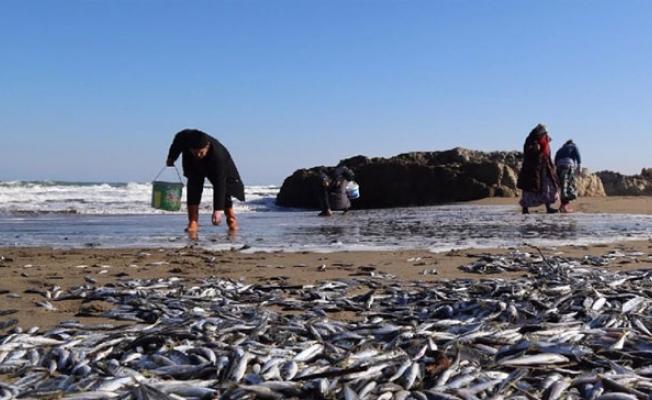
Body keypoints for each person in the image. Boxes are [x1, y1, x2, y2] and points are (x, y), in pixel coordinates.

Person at [166, 129, 245, 234]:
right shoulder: (184, 137)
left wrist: (217, 210)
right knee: (193, 187)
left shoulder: (218, 156)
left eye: (201, 152)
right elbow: (177, 143)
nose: (198, 155)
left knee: (227, 186)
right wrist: (172, 157)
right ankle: (193, 222)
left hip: (216, 164)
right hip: (192, 164)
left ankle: (231, 219)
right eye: (195, 152)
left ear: (207, 146)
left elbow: (219, 184)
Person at [516, 123, 560, 214]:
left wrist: (551, 165)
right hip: (532, 168)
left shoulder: (546, 140)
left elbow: (547, 154)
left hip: (545, 166)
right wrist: (533, 149)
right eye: (542, 133)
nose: (543, 135)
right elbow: (527, 150)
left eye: (544, 133)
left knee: (548, 185)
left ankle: (548, 207)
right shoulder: (531, 140)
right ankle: (525, 208)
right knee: (530, 187)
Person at [554, 139, 582, 213]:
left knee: (563, 187)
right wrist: (579, 166)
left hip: (559, 168)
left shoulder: (560, 150)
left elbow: (556, 160)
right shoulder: (573, 147)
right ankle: (565, 207)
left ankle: (563, 205)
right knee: (568, 187)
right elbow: (578, 156)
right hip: (567, 167)